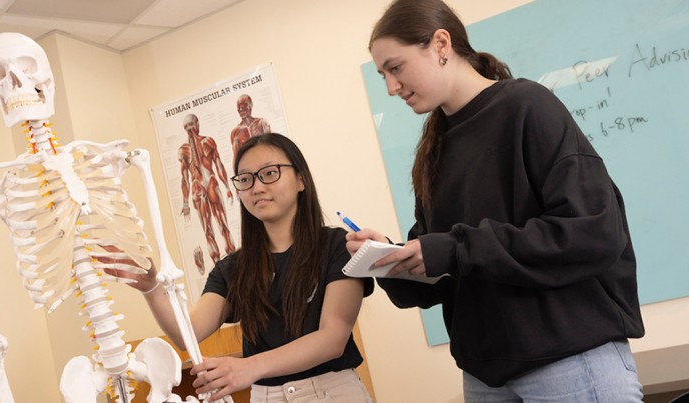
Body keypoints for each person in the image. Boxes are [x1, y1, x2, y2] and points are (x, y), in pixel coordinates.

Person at [346, 0, 646, 401]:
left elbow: (592, 230)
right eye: (383, 74)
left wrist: (453, 249)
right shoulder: (435, 149)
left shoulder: (526, 106)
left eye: (396, 68)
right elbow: (449, 263)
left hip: (569, 362)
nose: (390, 88)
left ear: (440, 44)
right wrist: (395, 259)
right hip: (486, 378)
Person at [116, 133, 374, 402]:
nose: (257, 187)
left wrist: (250, 367)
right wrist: (151, 288)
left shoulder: (336, 246)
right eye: (246, 179)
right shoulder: (234, 268)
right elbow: (187, 334)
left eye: (270, 173)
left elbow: (332, 339)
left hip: (332, 392)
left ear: (301, 180)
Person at [178, 113, 237, 264]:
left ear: (198, 124)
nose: (190, 129)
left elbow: (218, 165)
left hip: (211, 183)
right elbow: (184, 178)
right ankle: (218, 266)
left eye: (192, 125)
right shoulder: (183, 150)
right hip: (198, 187)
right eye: (186, 127)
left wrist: (227, 187)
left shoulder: (208, 141)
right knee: (207, 229)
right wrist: (185, 204)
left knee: (223, 224)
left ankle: (233, 261)